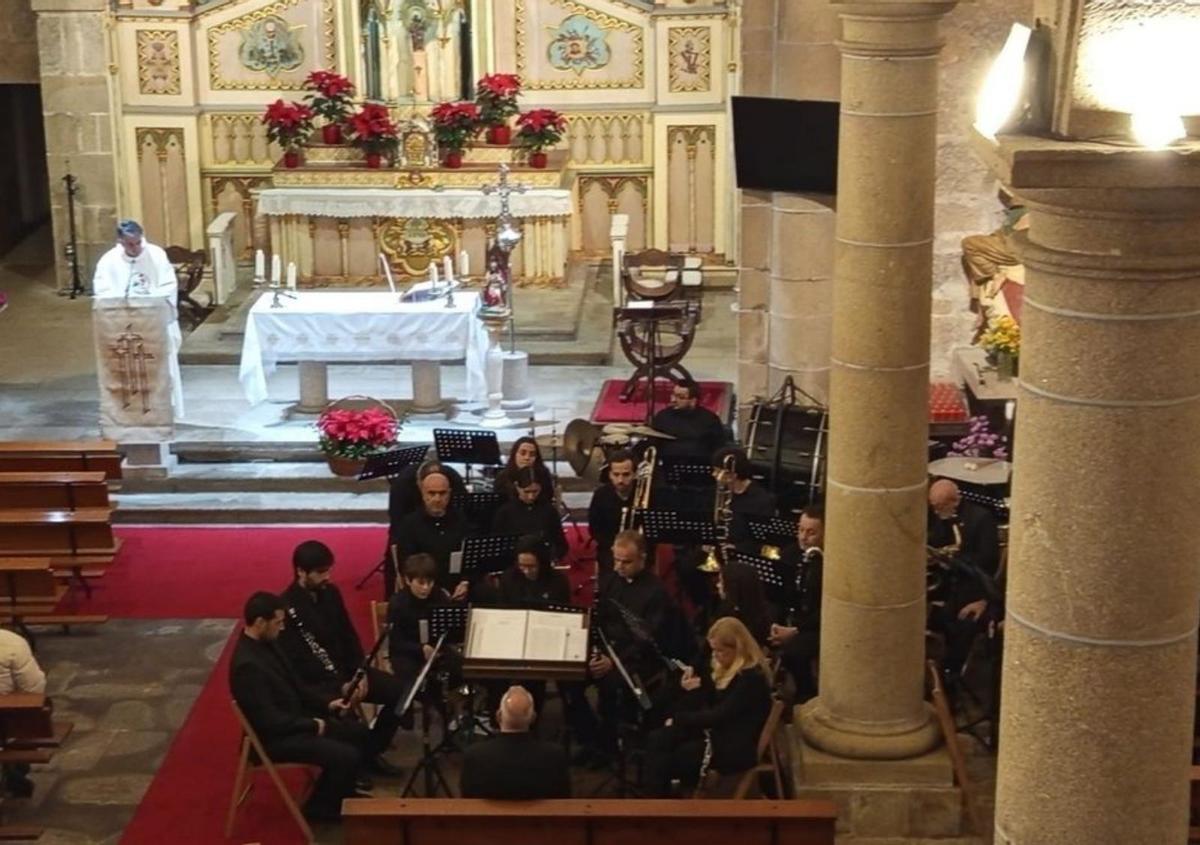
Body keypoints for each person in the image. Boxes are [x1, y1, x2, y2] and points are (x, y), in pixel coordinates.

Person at [229, 591, 369, 823]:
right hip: (273, 740)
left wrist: (327, 704)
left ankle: (340, 794)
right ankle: (321, 809)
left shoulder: (268, 643)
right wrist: (313, 724)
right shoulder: (247, 667)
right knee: (347, 755)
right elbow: (268, 722)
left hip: (291, 720)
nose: (282, 628)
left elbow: (297, 686)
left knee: (357, 731)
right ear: (260, 622)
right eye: (278, 622)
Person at [277, 540, 405, 774]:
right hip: (319, 685)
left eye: (329, 570)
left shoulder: (331, 593)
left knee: (400, 693)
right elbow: (301, 665)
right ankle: (359, 762)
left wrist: (359, 673)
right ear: (301, 572)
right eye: (320, 572)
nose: (327, 577)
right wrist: (341, 686)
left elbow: (348, 635)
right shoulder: (286, 609)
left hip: (347, 672)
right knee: (349, 725)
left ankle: (372, 752)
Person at [582, 530, 690, 760]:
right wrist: (597, 653)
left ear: (642, 558)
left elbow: (647, 640)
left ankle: (611, 744)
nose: (619, 567)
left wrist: (613, 661)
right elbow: (601, 623)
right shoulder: (610, 581)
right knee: (571, 680)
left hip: (639, 659)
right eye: (617, 560)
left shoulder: (656, 593)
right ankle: (590, 736)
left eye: (626, 562)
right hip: (610, 652)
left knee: (609, 685)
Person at [644, 616, 773, 797]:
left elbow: (720, 715)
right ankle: (657, 800)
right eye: (713, 650)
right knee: (658, 738)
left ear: (737, 648)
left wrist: (679, 719)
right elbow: (709, 702)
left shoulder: (751, 678)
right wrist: (691, 691)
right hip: (717, 732)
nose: (715, 656)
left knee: (675, 758)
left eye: (720, 651)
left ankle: (661, 801)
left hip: (733, 744)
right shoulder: (727, 669)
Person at [91, 220, 184, 417]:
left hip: (154, 325)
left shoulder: (156, 255)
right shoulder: (108, 261)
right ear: (120, 242)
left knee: (159, 368)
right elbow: (102, 292)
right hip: (123, 327)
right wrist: (124, 303)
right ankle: (129, 411)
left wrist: (149, 301)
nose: (135, 248)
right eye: (130, 244)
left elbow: (169, 286)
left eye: (138, 243)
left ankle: (161, 408)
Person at [927, 479, 1001, 682]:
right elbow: (935, 541)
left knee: (963, 628)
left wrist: (955, 559)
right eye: (934, 506)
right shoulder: (941, 516)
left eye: (940, 506)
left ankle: (954, 674)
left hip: (974, 588)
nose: (936, 511)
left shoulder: (981, 518)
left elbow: (988, 560)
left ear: (955, 501)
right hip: (948, 583)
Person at [459, 685, 571, 799]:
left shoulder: (475, 756)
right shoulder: (554, 756)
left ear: (498, 716)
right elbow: (564, 799)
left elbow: (467, 796)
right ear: (533, 718)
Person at [390, 461, 473, 599]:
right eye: (431, 493)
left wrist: (465, 582)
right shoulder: (409, 525)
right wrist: (438, 592)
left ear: (449, 494)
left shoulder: (461, 521)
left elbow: (469, 559)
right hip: (425, 589)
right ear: (423, 494)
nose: (437, 499)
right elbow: (408, 566)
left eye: (442, 493)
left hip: (457, 586)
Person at [769, 505, 825, 700]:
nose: (803, 537)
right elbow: (780, 595)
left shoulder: (830, 563)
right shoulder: (790, 554)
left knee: (795, 653)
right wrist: (776, 624)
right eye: (800, 530)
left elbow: (824, 611)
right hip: (794, 617)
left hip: (816, 624)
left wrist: (795, 631)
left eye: (811, 533)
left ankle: (806, 693)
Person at [386, 553, 450, 692]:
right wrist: (420, 649)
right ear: (408, 580)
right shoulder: (398, 603)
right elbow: (396, 642)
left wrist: (438, 648)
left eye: (429, 582)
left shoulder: (440, 597)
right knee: (407, 677)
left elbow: (449, 630)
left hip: (436, 651)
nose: (426, 588)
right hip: (407, 654)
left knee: (457, 666)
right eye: (420, 583)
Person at [0, 629, 45, 797]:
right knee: (24, 723)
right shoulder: (11, 642)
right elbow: (33, 690)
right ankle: (13, 773)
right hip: (5, 725)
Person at [491, 468, 568, 562]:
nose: (531, 496)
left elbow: (561, 544)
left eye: (535, 491)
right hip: (513, 562)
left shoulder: (549, 510)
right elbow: (497, 546)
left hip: (542, 561)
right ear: (517, 487)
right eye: (526, 491)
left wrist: (553, 556)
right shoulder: (505, 512)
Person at [651, 380, 727, 463]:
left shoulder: (710, 419)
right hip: (665, 466)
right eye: (673, 395)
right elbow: (653, 443)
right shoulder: (663, 416)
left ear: (693, 401)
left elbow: (719, 448)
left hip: (699, 466)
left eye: (680, 397)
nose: (673, 400)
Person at [587, 449, 636, 574]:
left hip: (638, 549)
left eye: (626, 474)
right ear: (609, 475)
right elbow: (594, 529)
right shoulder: (600, 495)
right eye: (616, 474)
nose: (620, 480)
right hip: (610, 549)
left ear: (634, 474)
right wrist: (615, 547)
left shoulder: (644, 493)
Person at [497, 535, 571, 610]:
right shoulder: (508, 578)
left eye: (531, 566)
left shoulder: (558, 581)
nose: (526, 571)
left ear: (542, 563)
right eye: (522, 565)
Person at [714, 563, 773, 648]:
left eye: (721, 582)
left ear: (733, 587)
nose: (718, 585)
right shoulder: (764, 611)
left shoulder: (728, 617)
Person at [493, 436, 554, 505]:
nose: (527, 458)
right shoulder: (502, 477)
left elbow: (548, 499)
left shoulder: (543, 475)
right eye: (522, 453)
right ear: (514, 455)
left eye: (532, 454)